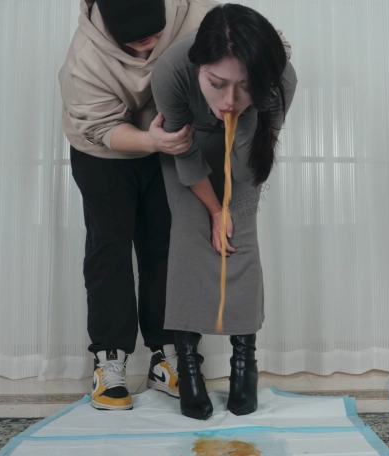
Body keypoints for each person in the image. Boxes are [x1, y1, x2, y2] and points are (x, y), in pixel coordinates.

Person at [58, 0, 218, 411]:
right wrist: (150, 140)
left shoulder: (197, 14)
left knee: (166, 248)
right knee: (109, 248)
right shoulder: (84, 61)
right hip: (104, 149)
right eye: (133, 37)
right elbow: (101, 127)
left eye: (153, 32)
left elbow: (261, 45)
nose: (146, 42)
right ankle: (109, 359)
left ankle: (168, 356)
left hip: (170, 141)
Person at [151, 3, 297, 420]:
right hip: (185, 146)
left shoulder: (281, 79)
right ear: (199, 67)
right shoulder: (171, 71)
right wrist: (215, 209)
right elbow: (184, 154)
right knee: (191, 232)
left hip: (244, 141)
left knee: (240, 236)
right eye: (217, 84)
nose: (229, 100)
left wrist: (230, 210)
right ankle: (188, 365)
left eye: (244, 86)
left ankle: (244, 360)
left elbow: (253, 159)